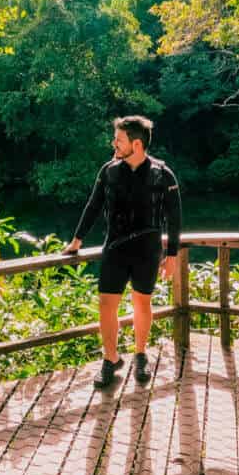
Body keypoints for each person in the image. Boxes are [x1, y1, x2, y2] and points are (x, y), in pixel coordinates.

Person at [63, 115, 182, 389]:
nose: (113, 144)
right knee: (106, 304)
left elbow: (175, 217)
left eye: (119, 140)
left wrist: (172, 255)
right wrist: (77, 241)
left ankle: (140, 354)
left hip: (147, 251)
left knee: (142, 302)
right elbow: (93, 206)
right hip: (115, 248)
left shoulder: (163, 174)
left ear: (136, 144)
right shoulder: (109, 171)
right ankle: (111, 359)